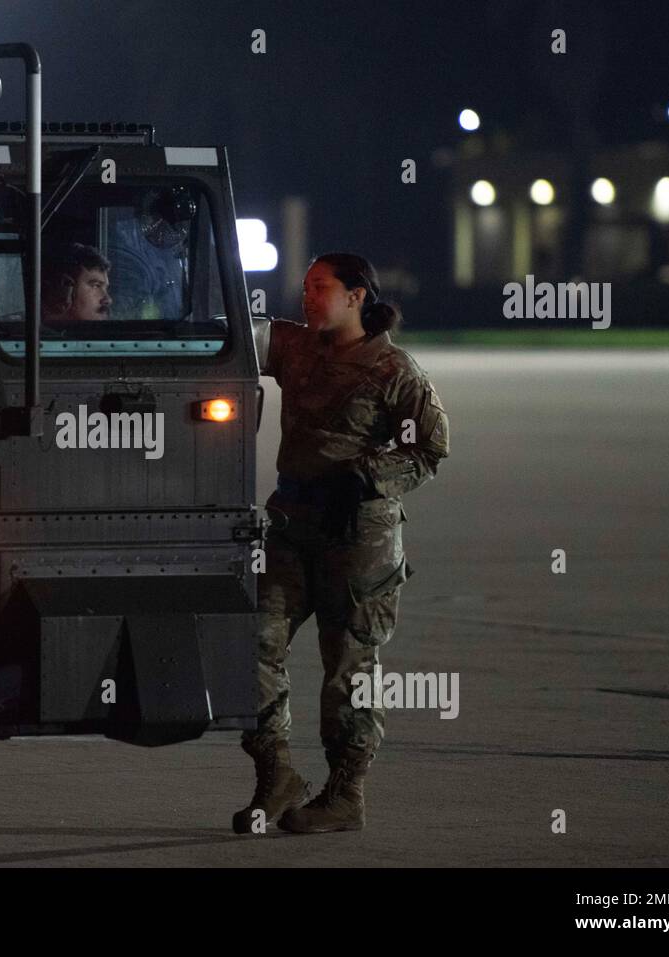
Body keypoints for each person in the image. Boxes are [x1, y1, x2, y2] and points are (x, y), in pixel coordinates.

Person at [233, 253, 450, 835]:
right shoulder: (294, 346)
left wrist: (367, 479)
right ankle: (276, 772)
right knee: (249, 638)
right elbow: (232, 333)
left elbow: (429, 448)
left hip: (359, 536)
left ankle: (345, 794)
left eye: (321, 287)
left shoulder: (392, 369)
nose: (308, 297)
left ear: (357, 296)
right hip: (291, 521)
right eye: (305, 287)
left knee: (350, 666)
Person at [41, 243, 113, 323]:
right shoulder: (33, 334)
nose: (108, 300)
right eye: (96, 286)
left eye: (106, 288)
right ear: (65, 287)